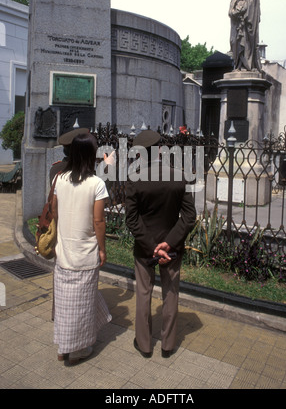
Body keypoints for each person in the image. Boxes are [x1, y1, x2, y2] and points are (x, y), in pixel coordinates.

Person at [125, 130, 196, 358]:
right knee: (171, 293)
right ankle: (168, 345)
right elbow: (189, 216)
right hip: (172, 247)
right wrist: (169, 243)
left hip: (145, 247)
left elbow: (131, 218)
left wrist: (151, 245)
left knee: (144, 294)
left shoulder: (134, 178)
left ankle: (145, 345)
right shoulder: (179, 176)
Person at [52, 133, 112, 365]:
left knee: (65, 304)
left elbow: (55, 211)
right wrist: (103, 249)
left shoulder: (60, 179)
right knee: (82, 306)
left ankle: (62, 347)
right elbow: (98, 222)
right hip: (85, 254)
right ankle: (77, 349)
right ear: (91, 154)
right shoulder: (96, 184)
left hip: (64, 252)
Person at [229, 0, 261, 72]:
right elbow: (231, 7)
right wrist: (234, 12)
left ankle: (247, 66)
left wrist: (244, 12)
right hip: (236, 23)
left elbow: (253, 6)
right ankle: (237, 65)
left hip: (247, 24)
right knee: (234, 42)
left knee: (246, 43)